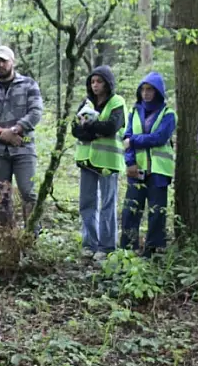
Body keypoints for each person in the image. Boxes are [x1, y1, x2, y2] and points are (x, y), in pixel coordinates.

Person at [0, 46, 44, 228]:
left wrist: (15, 130)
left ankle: (32, 234)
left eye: (4, 61)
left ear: (12, 61)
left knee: (28, 193)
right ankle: (8, 237)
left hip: (24, 148)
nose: (0, 65)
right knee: (2, 197)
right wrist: (2, 133)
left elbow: (36, 112)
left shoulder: (29, 84)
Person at [71, 66, 126, 258]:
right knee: (87, 203)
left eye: (99, 81)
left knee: (107, 204)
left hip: (108, 161)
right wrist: (94, 129)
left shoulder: (117, 102)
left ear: (107, 83)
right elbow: (75, 129)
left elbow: (112, 126)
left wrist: (90, 127)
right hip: (86, 159)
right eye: (92, 82)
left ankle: (107, 246)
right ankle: (89, 243)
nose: (95, 85)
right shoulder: (86, 103)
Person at [121, 71, 176, 255]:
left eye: (150, 89)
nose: (146, 93)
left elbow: (159, 138)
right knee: (131, 209)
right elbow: (126, 138)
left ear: (158, 91)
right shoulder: (134, 111)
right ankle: (128, 248)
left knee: (156, 212)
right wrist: (130, 162)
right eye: (143, 89)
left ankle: (152, 250)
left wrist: (135, 141)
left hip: (159, 170)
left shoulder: (168, 114)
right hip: (136, 168)